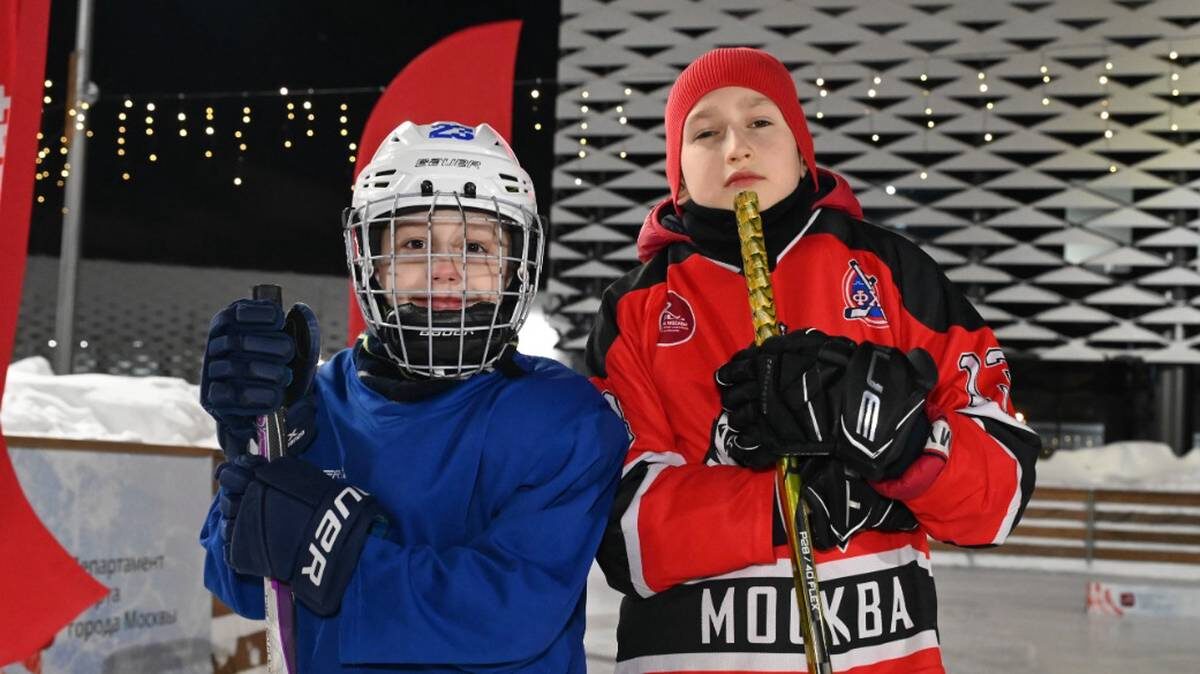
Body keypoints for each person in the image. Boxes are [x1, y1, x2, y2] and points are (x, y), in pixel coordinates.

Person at [587, 48, 1041, 673]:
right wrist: (785, 506)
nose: (736, 148)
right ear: (680, 176)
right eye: (706, 132)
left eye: (760, 122)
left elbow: (1000, 499)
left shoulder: (893, 273)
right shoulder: (635, 310)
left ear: (803, 151)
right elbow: (620, 536)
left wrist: (909, 447)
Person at [198, 120, 628, 672]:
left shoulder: (563, 416)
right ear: (373, 261)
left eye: (476, 246)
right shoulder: (315, 402)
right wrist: (254, 444)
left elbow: (505, 614)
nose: (444, 270)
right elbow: (239, 586)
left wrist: (325, 548)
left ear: (514, 266)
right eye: (414, 244)